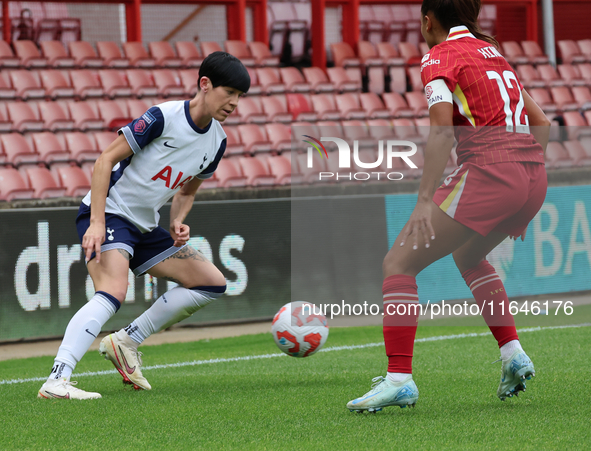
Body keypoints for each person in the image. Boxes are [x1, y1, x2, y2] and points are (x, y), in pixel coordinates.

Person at [347, 0, 550, 412]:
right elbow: (542, 123)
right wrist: (525, 200)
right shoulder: (494, 53)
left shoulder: (438, 57)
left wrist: (424, 200)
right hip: (532, 177)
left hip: (491, 171)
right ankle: (513, 354)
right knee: (470, 255)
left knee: (398, 265)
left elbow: (441, 133)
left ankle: (399, 379)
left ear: (428, 20)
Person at [38, 51, 250, 400]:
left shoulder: (218, 141)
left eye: (240, 96)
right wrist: (96, 221)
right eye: (230, 92)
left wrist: (178, 220)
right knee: (112, 291)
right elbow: (105, 159)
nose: (235, 102)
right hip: (112, 214)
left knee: (211, 283)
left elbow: (189, 188)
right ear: (205, 84)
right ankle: (58, 379)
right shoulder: (163, 117)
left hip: (145, 227)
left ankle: (126, 341)